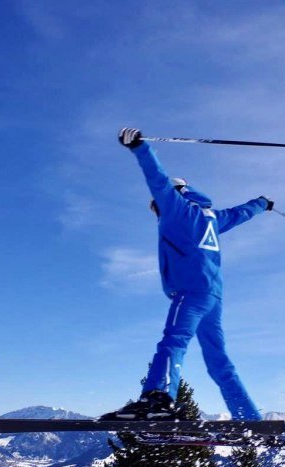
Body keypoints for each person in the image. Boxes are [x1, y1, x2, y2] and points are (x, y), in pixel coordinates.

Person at [102, 128, 273, 422]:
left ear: (172, 195)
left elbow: (156, 177)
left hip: (191, 291)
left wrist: (139, 147)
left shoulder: (175, 208)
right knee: (218, 361)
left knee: (174, 340)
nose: (156, 211)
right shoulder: (213, 218)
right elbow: (243, 212)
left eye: (156, 205)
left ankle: (158, 398)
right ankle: (249, 418)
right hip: (213, 296)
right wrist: (262, 203)